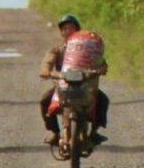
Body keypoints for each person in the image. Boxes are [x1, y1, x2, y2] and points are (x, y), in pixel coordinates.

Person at [39, 12, 109, 146]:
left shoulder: (88, 48)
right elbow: (47, 61)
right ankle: (55, 132)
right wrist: (46, 70)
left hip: (85, 86)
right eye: (65, 28)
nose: (68, 31)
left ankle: (94, 132)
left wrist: (101, 69)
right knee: (44, 100)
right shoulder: (57, 49)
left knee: (103, 100)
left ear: (77, 30)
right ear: (61, 32)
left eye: (71, 28)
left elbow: (99, 60)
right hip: (62, 87)